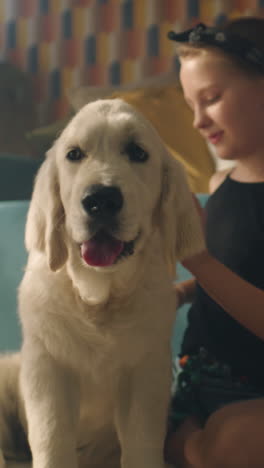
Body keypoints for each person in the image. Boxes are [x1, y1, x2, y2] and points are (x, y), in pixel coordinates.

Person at [164, 17, 264, 468]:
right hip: (199, 376)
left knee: (238, 440)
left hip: (255, 389)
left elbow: (218, 270)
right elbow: (234, 270)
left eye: (212, 99)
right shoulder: (219, 181)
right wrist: (180, 293)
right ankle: (190, 439)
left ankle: (191, 447)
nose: (198, 120)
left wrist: (200, 264)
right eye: (191, 105)